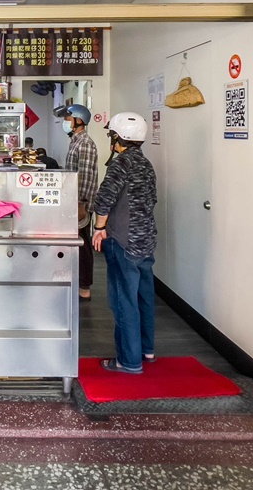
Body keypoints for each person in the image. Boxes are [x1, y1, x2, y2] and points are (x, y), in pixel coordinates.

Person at [91, 111, 157, 374]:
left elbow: (104, 200)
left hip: (124, 240)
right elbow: (151, 200)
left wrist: (99, 228)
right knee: (144, 297)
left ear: (117, 138)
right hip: (146, 240)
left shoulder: (120, 164)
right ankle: (146, 350)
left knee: (123, 300)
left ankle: (128, 361)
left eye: (111, 135)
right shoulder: (146, 164)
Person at [58, 104, 98, 300]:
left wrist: (81, 202)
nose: (65, 122)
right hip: (72, 202)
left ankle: (84, 288)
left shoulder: (85, 144)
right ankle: (77, 282)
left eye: (68, 119)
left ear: (79, 121)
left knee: (83, 245)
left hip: (80, 204)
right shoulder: (75, 141)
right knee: (76, 244)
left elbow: (85, 175)